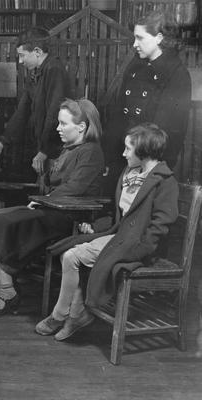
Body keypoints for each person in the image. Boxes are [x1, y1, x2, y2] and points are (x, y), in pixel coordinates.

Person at [36, 122, 178, 340]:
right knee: (67, 252)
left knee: (72, 256)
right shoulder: (131, 173)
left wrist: (138, 250)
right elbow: (121, 215)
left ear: (144, 151)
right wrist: (97, 228)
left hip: (139, 247)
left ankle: (63, 315)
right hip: (119, 237)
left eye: (128, 149)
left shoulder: (164, 182)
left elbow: (161, 224)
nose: (123, 153)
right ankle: (75, 315)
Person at [0, 98, 104, 317]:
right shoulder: (69, 149)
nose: (58, 128)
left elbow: (75, 187)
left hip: (67, 217)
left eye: (63, 124)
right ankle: (8, 289)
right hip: (50, 209)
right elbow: (53, 182)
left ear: (82, 127)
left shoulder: (90, 151)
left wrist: (43, 199)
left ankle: (7, 293)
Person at [103, 10, 191, 193]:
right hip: (123, 160)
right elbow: (118, 114)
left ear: (159, 38)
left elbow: (166, 130)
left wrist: (142, 164)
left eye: (140, 38)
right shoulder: (135, 66)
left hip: (150, 166)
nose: (135, 44)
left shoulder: (177, 75)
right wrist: (110, 157)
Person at [0, 27, 71, 183]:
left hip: (56, 151)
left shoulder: (54, 70)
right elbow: (22, 111)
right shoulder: (35, 73)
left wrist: (45, 151)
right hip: (44, 149)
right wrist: (3, 141)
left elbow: (55, 113)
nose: (20, 61)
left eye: (22, 56)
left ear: (37, 51)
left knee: (49, 190)